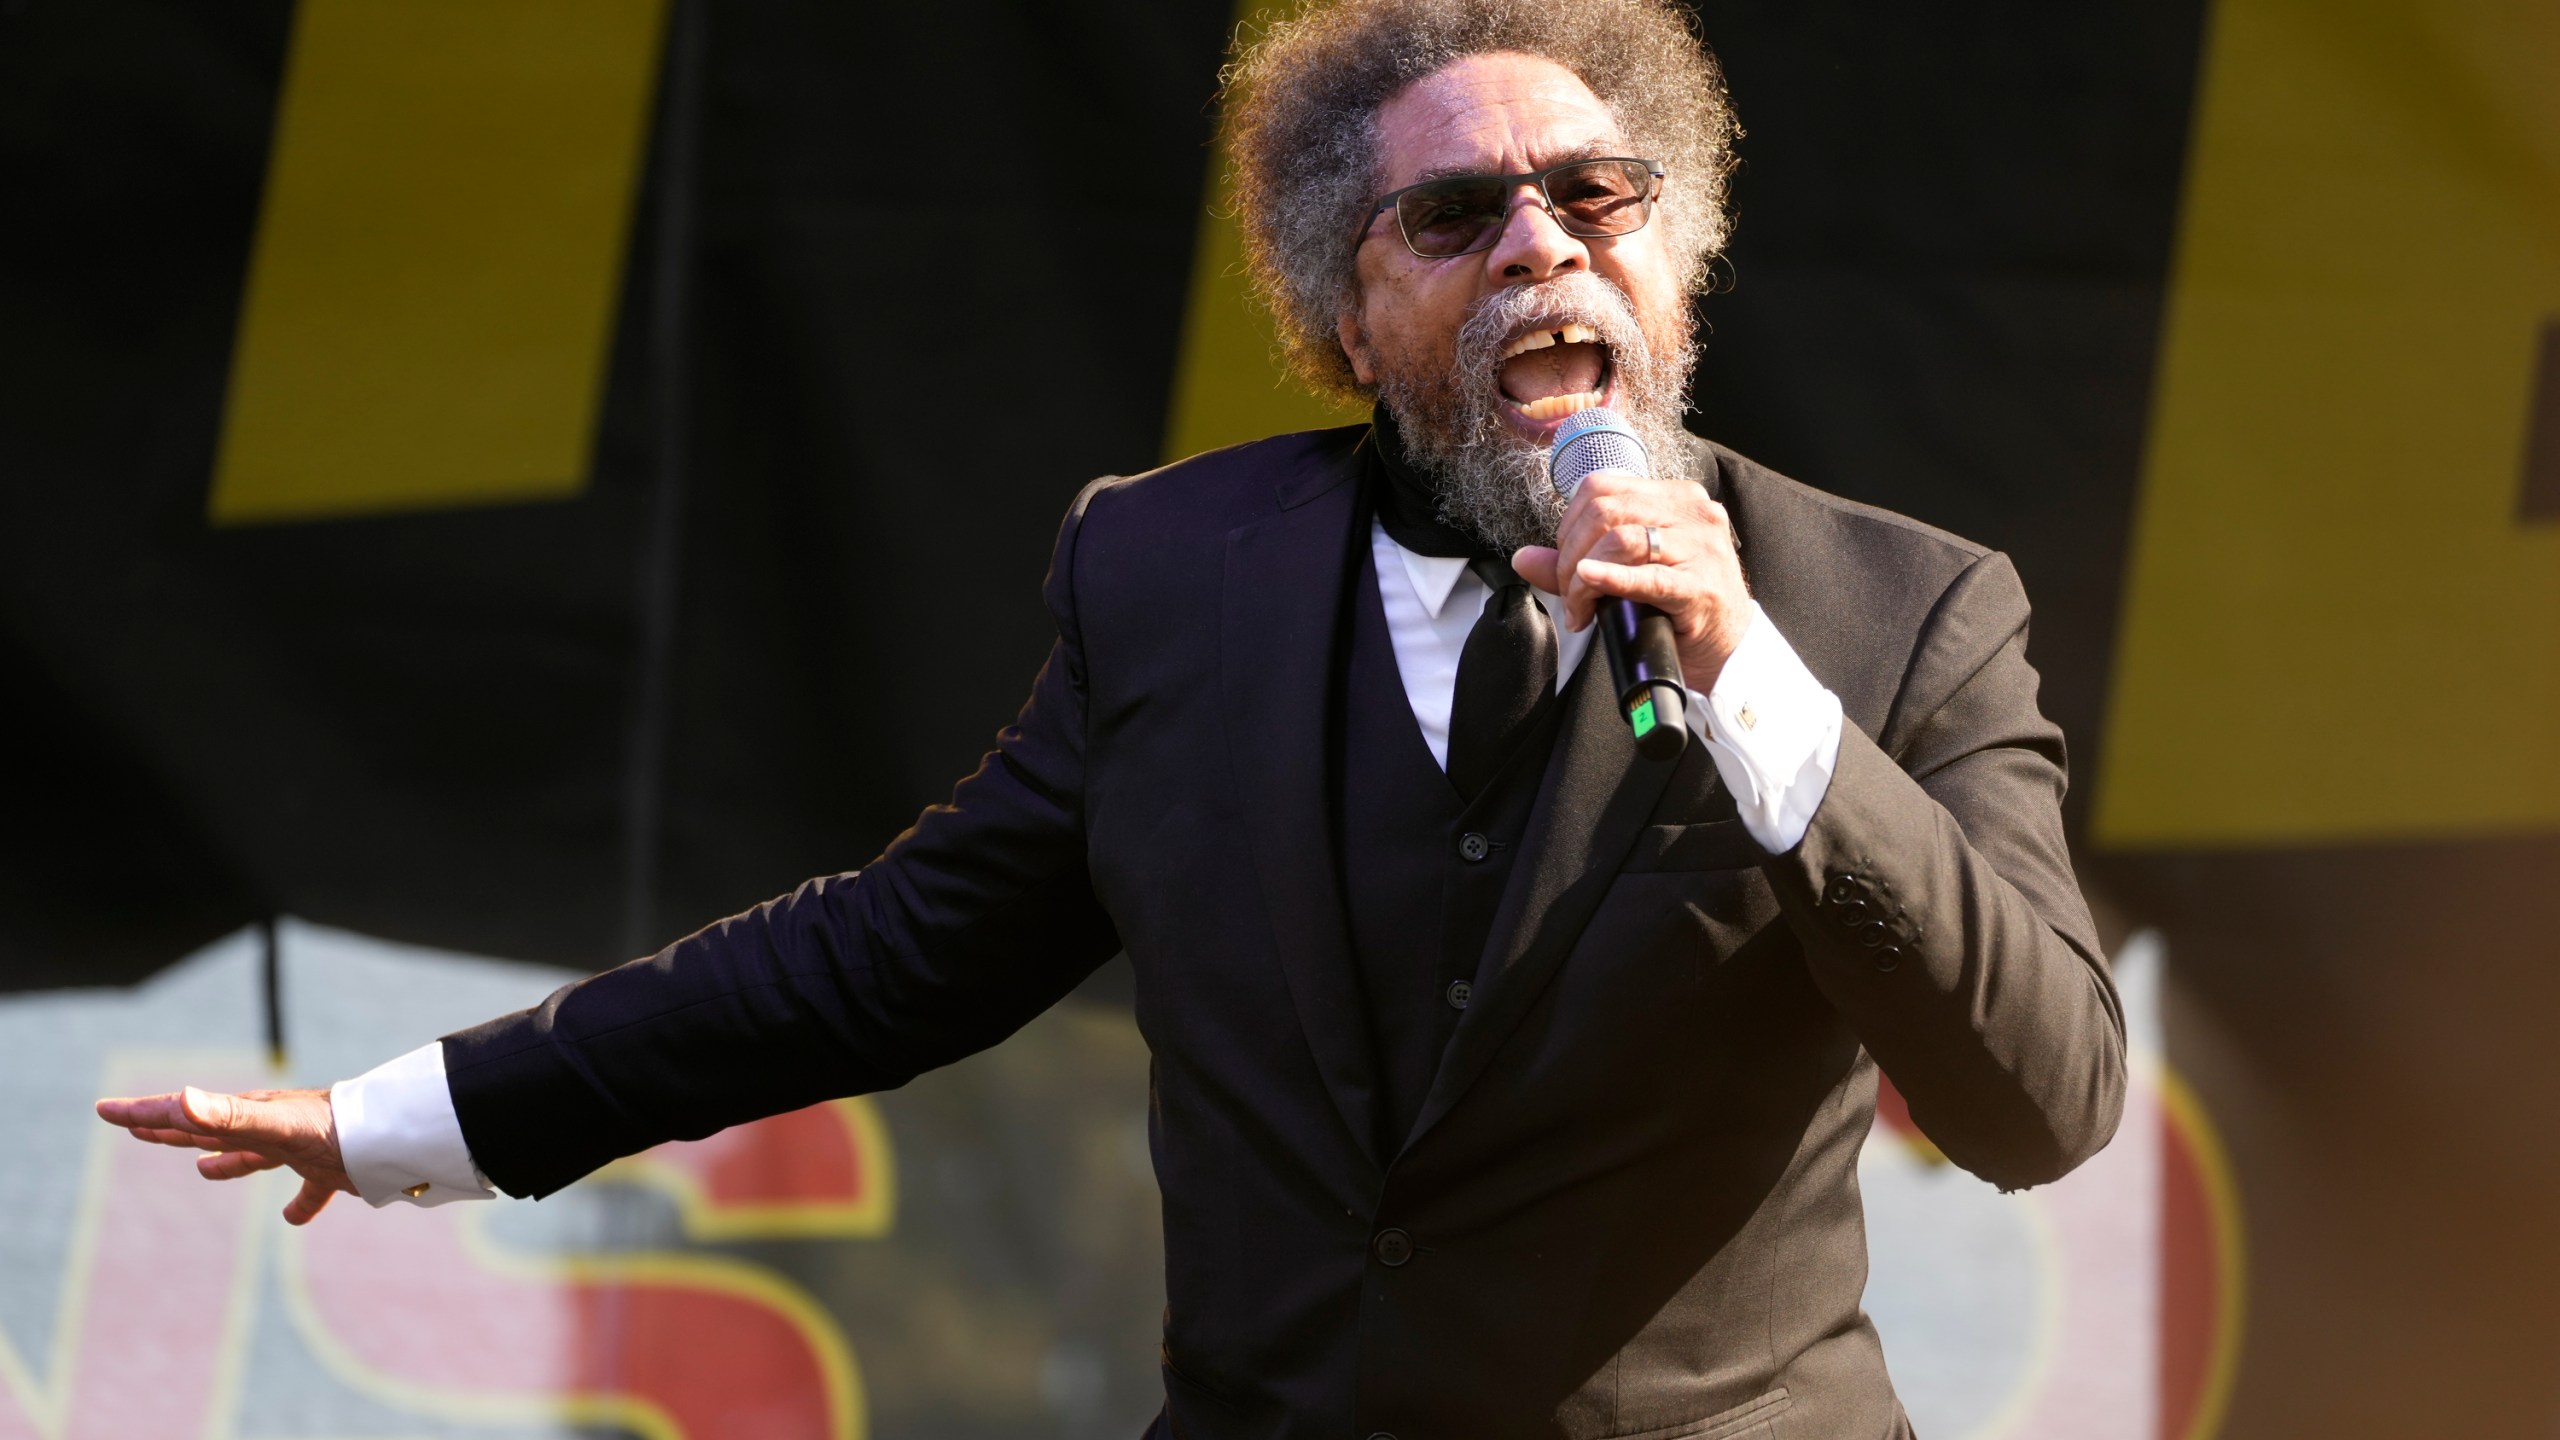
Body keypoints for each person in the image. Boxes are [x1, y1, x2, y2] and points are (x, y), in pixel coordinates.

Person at [99, 1, 2124, 1435]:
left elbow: (2039, 1099)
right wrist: (405, 1127)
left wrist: (1745, 691)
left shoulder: (1896, 611)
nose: (1533, 243)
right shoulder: (1173, 577)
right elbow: (879, 961)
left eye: (1591, 201)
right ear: (1344, 317)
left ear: (1668, 269)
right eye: (1454, 215)